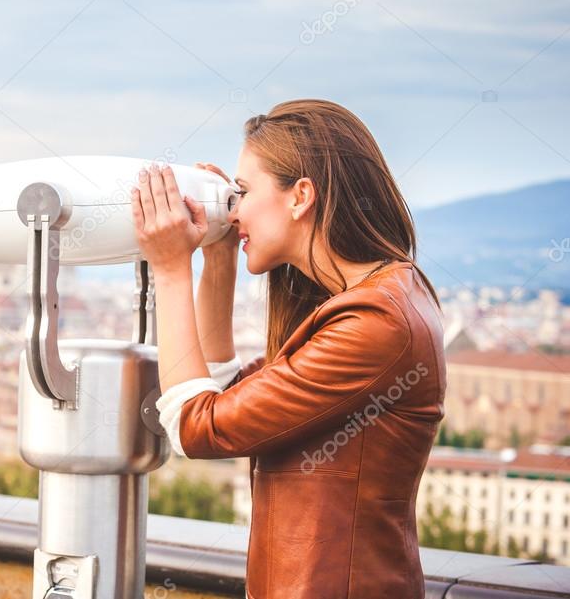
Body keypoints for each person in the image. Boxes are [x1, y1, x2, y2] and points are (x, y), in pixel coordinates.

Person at [130, 99, 446, 599]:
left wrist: (171, 270)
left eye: (243, 191)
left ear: (300, 196)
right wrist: (217, 260)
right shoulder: (367, 301)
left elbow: (198, 427)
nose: (234, 212)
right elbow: (230, 396)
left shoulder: (374, 322)